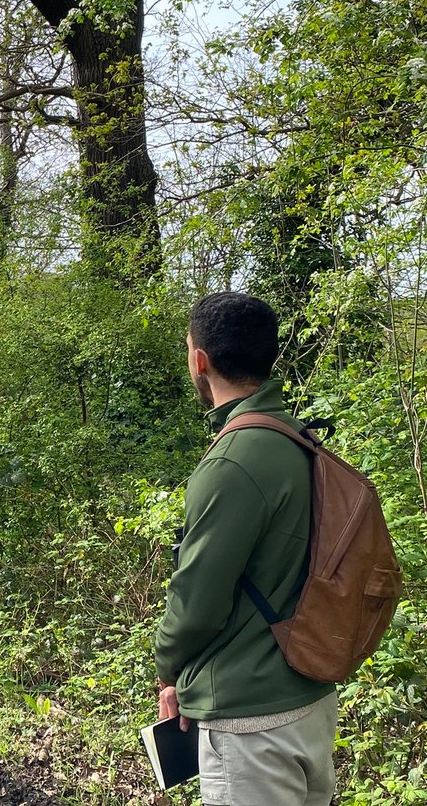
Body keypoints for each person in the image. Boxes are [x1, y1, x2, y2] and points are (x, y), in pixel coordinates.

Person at [154, 292, 338, 805]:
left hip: (251, 721)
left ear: (199, 360)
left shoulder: (233, 460)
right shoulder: (299, 439)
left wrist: (167, 667)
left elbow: (197, 601)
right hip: (310, 697)